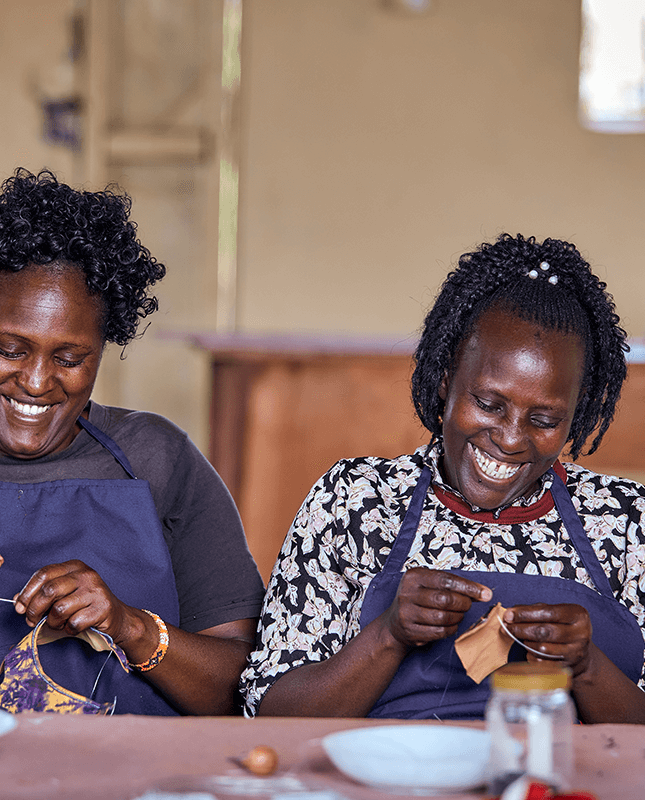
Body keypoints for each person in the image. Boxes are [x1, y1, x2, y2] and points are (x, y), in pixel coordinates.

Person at [0, 168, 264, 716]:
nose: (38, 382)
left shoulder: (158, 457)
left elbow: (246, 691)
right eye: (11, 349)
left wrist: (129, 626)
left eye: (70, 358)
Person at [240, 233, 645, 723]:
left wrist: (587, 668)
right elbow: (269, 711)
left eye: (544, 420)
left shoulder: (627, 521)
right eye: (489, 404)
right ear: (446, 379)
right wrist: (387, 636)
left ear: (575, 415)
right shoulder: (354, 501)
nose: (511, 439)